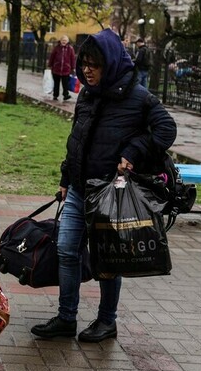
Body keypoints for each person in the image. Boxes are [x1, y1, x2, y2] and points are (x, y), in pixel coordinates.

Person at [31, 28, 176, 343]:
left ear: (109, 64)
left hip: (112, 194)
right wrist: (65, 179)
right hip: (81, 188)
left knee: (109, 260)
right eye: (84, 63)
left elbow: (166, 130)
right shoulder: (87, 93)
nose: (87, 70)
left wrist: (133, 151)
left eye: (94, 64)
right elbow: (77, 140)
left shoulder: (138, 97)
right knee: (67, 249)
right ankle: (67, 317)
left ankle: (106, 321)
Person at [48, 35, 76, 101]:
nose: (64, 42)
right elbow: (52, 57)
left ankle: (65, 95)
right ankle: (55, 95)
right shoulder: (56, 48)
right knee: (56, 84)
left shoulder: (70, 48)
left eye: (65, 40)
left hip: (66, 69)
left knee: (65, 84)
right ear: (60, 41)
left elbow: (72, 59)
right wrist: (50, 65)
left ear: (68, 41)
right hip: (56, 69)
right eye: (63, 40)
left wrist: (73, 67)